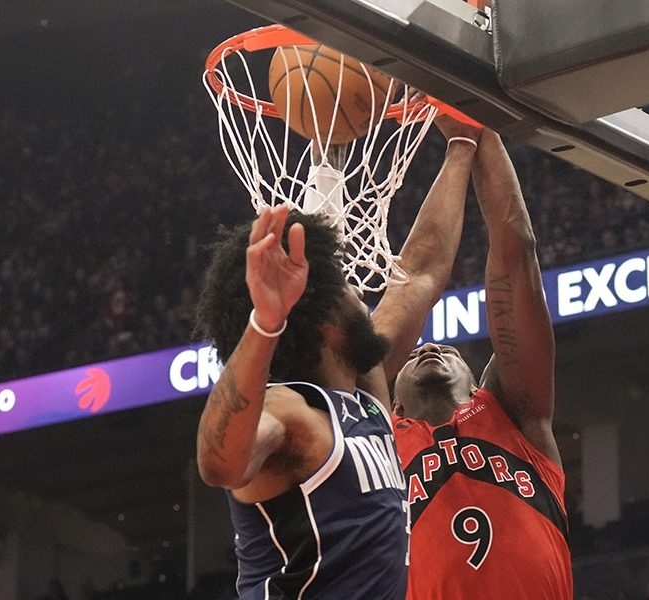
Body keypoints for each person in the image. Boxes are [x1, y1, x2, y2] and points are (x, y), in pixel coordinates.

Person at [194, 116, 481, 599]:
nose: (362, 295)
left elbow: (421, 273)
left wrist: (461, 143)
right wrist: (265, 321)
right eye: (349, 288)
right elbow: (218, 464)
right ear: (327, 323)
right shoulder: (287, 411)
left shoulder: (366, 395)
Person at [388, 130, 573, 598]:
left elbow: (517, 253)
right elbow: (411, 281)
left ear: (478, 384)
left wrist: (477, 125)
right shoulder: (379, 440)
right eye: (412, 355)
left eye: (450, 351)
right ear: (393, 403)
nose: (430, 348)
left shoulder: (516, 415)